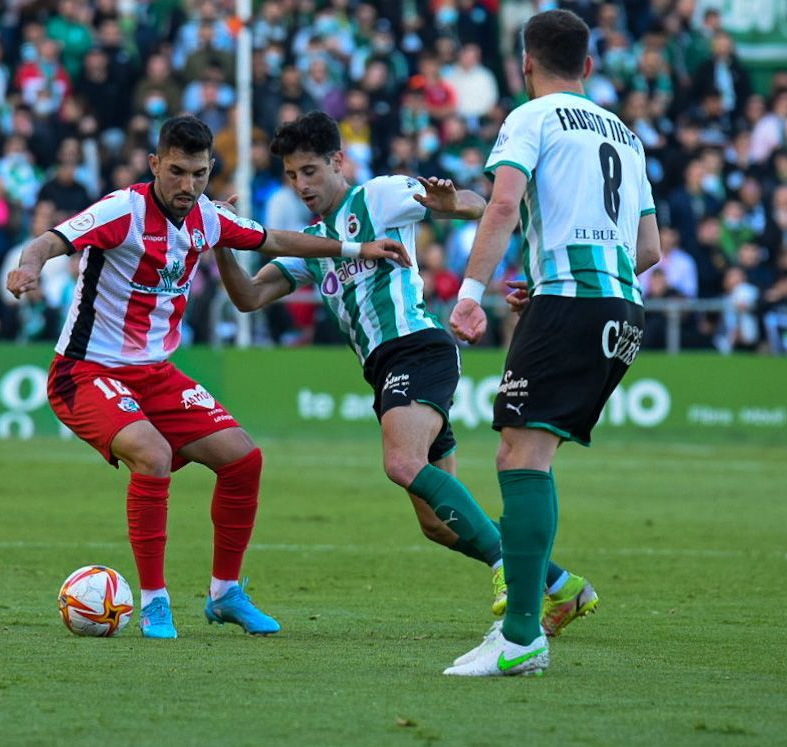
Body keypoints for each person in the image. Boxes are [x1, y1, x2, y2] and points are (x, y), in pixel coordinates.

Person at [5, 115, 408, 640]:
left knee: (244, 460)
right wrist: (28, 266)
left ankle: (225, 593)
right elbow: (52, 240)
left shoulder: (208, 219)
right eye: (176, 172)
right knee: (151, 455)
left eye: (198, 174)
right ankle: (153, 602)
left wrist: (357, 248)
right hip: (84, 371)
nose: (187, 185)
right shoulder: (122, 210)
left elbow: (276, 241)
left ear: (209, 170)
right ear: (155, 165)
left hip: (156, 374)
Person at [211, 110, 596, 634]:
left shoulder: (381, 195)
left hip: (418, 347)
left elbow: (480, 204)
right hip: (387, 368)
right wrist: (222, 247)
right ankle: (562, 586)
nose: (301, 185)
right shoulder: (315, 244)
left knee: (400, 462)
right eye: (291, 175)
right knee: (437, 524)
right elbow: (249, 297)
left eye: (309, 171)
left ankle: (511, 571)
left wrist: (448, 205)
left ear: (336, 162)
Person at [443, 9, 662, 677]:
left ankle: (519, 636)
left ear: (524, 65)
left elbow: (502, 204)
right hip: (620, 308)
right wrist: (548, 286)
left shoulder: (530, 117)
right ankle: (526, 622)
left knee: (521, 456)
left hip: (573, 301)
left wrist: (468, 294)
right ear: (588, 67)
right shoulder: (625, 133)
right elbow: (647, 249)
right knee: (521, 450)